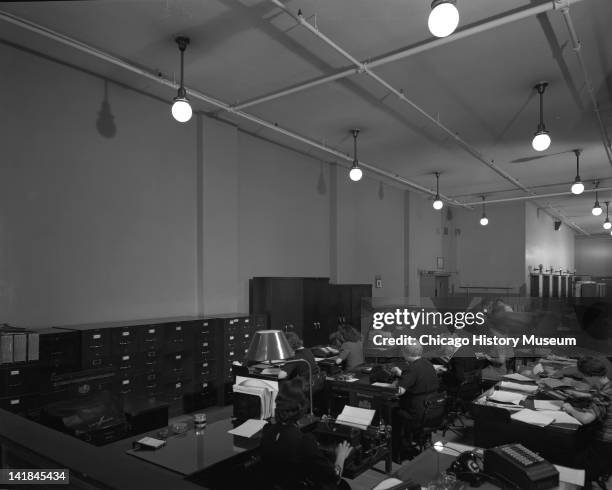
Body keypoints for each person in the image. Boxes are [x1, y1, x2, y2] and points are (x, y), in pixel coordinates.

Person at [260, 378, 353, 490]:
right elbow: (335, 478)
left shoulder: (267, 431)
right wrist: (341, 456)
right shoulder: (303, 442)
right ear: (302, 408)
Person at [561, 356, 612, 485]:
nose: (584, 379)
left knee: (569, 450)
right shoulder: (608, 384)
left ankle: (578, 481)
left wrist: (570, 408)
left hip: (604, 444)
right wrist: (584, 395)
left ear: (590, 375)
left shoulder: (604, 394)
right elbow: (603, 399)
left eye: (584, 376)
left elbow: (586, 419)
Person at [390, 343, 440, 461]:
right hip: (433, 409)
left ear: (405, 353)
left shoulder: (411, 368)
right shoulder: (427, 363)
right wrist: (402, 375)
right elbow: (418, 378)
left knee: (391, 410)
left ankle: (398, 449)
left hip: (417, 413)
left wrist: (395, 383)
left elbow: (398, 392)